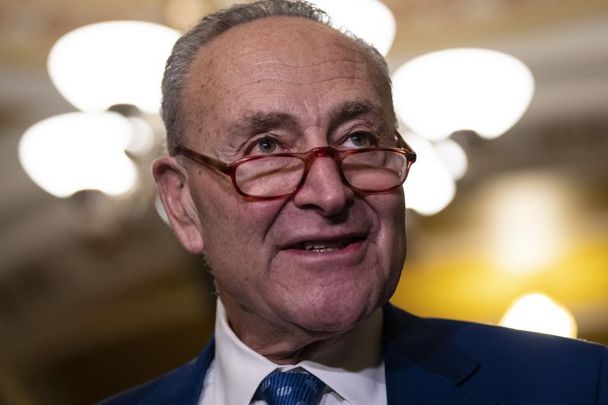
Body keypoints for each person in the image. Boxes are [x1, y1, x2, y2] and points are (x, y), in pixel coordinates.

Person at [101, 1, 607, 404]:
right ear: (182, 202)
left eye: (360, 140)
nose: (330, 192)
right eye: (268, 147)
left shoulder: (578, 388)